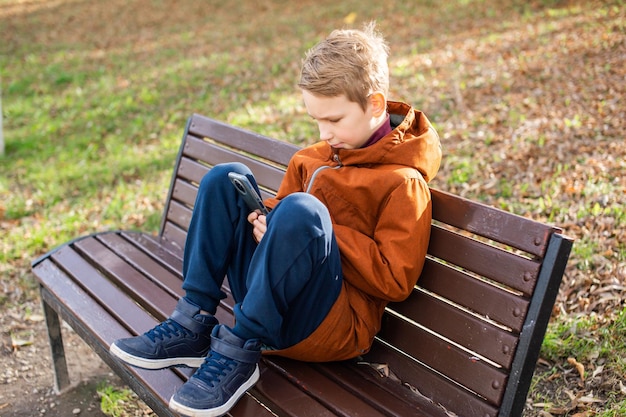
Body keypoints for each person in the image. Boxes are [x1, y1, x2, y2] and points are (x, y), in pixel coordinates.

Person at [110, 22, 442, 417]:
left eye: (334, 120)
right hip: (273, 302)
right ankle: (192, 322)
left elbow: (395, 279)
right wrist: (266, 221)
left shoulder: (402, 184)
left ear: (374, 104)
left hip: (333, 326)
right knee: (225, 179)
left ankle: (239, 353)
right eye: (316, 120)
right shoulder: (312, 158)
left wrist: (322, 232)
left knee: (304, 212)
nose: (324, 133)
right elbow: (287, 215)